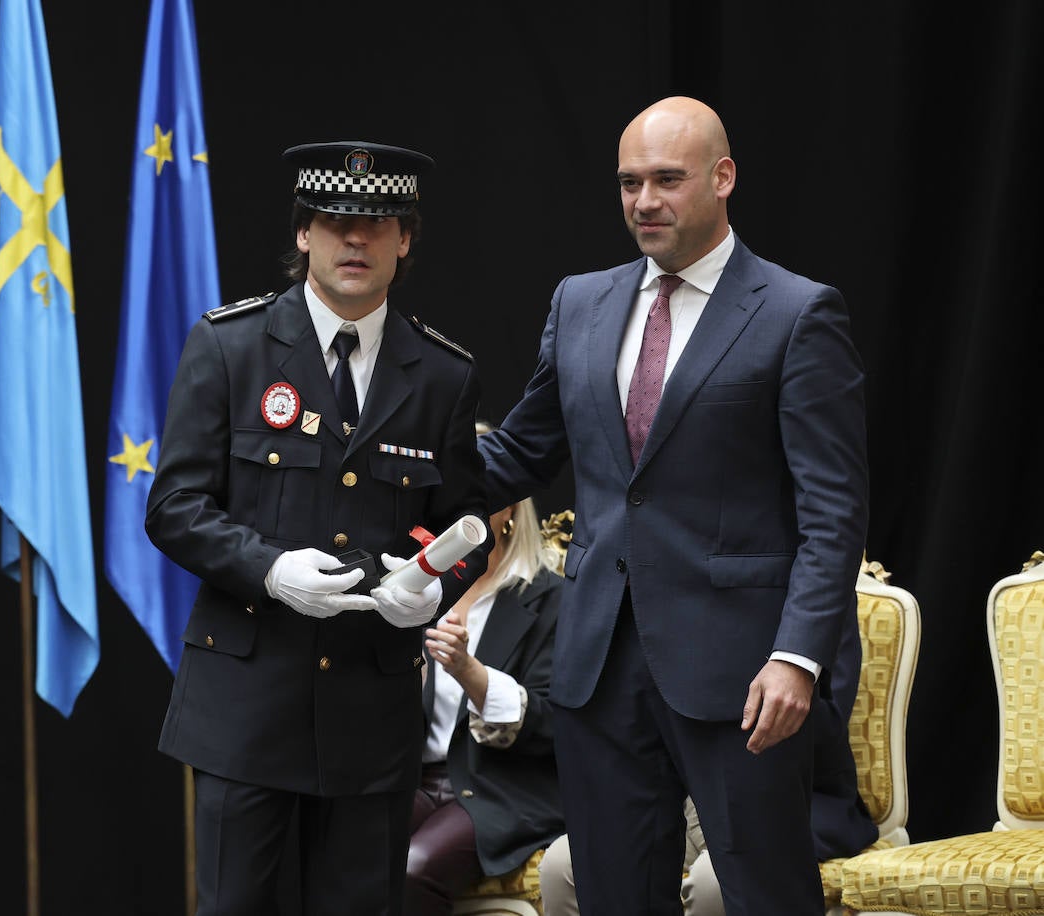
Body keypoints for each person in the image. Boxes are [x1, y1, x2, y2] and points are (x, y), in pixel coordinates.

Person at [476, 95, 869, 915]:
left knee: (762, 896)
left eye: (666, 179)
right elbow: (517, 455)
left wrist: (799, 656)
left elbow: (834, 514)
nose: (643, 201)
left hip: (744, 675)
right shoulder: (579, 302)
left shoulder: (798, 313)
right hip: (597, 667)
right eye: (628, 183)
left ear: (723, 178)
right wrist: (391, 464)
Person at [146, 140, 487, 916]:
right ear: (304, 234)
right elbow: (173, 508)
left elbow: (467, 527)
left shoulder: (442, 375)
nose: (356, 241)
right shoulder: (230, 347)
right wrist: (268, 568)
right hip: (246, 702)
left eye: (379, 224)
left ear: (406, 239)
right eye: (335, 222)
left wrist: (427, 588)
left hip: (372, 713)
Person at [538, 598, 878, 915]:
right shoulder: (641, 598)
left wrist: (725, 690)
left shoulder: (812, 597)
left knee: (711, 883)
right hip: (665, 797)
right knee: (562, 867)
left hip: (775, 795)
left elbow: (828, 725)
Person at [405, 422, 565, 915]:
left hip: (500, 790)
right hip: (413, 778)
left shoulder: (550, 598)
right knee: (335, 842)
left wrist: (468, 670)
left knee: (412, 865)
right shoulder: (415, 590)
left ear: (509, 508)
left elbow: (560, 723)